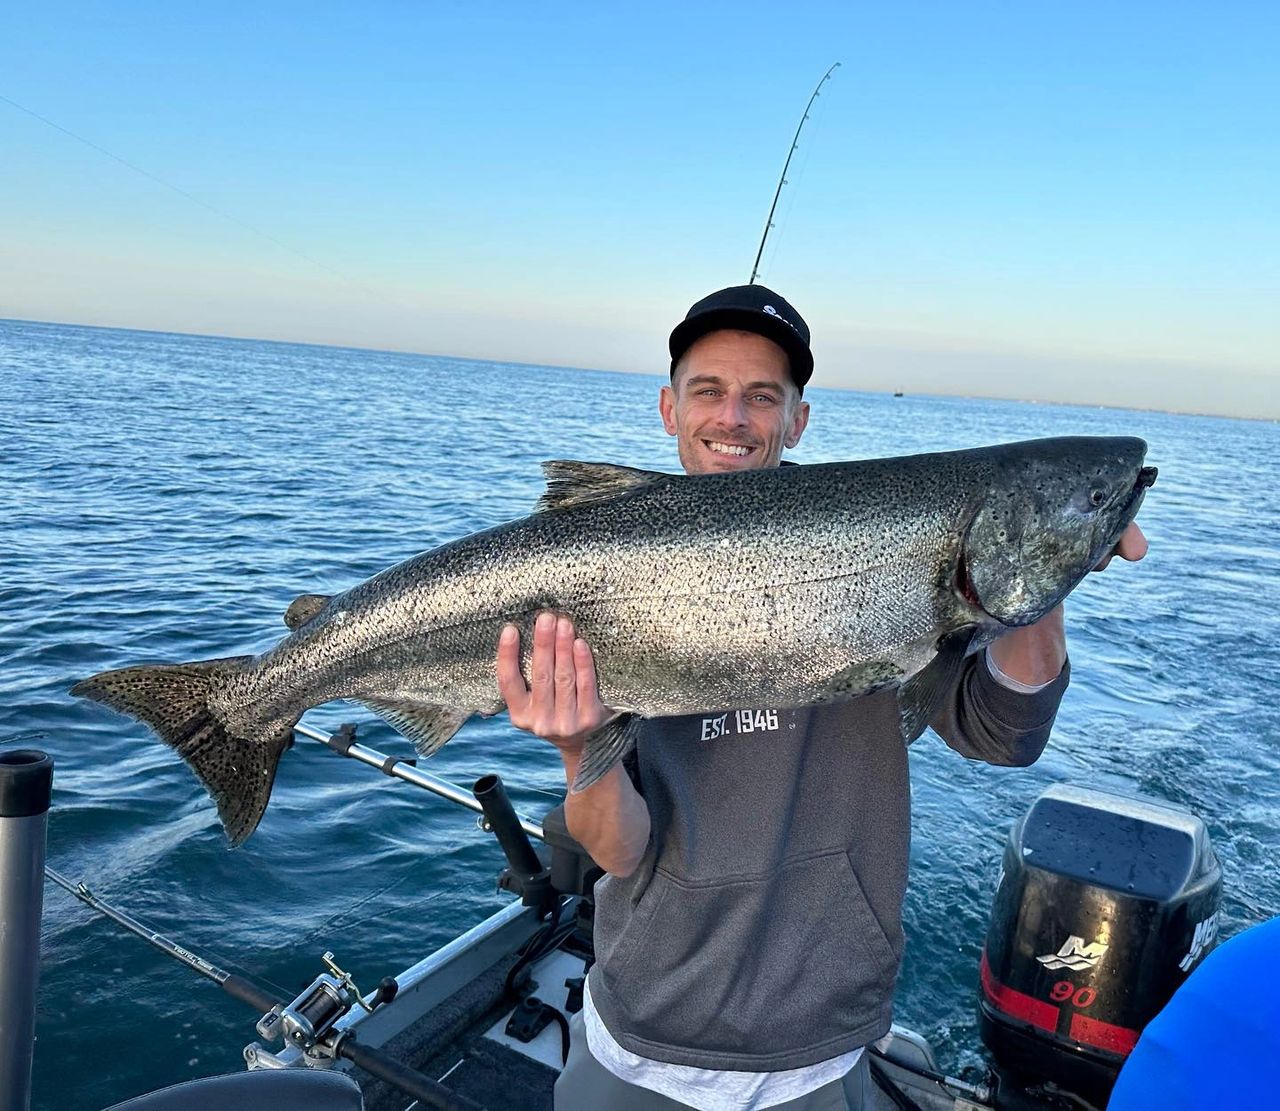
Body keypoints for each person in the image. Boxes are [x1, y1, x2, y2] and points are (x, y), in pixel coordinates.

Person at [494, 285, 1148, 1111]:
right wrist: (575, 744)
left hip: (819, 1044)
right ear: (669, 408)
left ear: (797, 420)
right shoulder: (613, 568)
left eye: (762, 396)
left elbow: (1003, 733)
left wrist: (1047, 562)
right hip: (638, 1037)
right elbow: (619, 852)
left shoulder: (894, 541)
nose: (734, 417)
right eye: (709, 391)